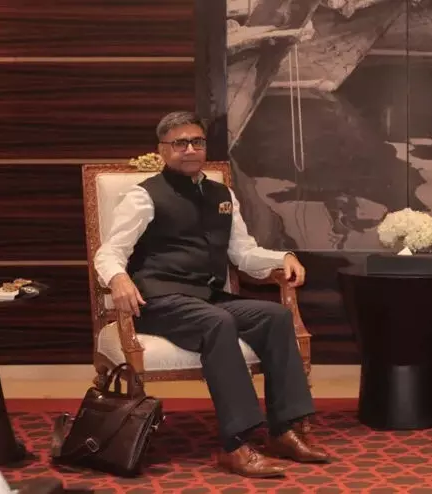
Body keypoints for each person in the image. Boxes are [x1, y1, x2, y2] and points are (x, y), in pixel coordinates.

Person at [94, 111, 330, 478]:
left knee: (275, 317)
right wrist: (119, 278)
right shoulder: (143, 196)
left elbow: (243, 254)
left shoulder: (223, 194)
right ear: (162, 149)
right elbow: (109, 252)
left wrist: (281, 257)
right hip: (159, 300)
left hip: (204, 297)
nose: (190, 149)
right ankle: (236, 445)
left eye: (197, 142)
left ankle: (283, 431)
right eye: (180, 143)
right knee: (217, 322)